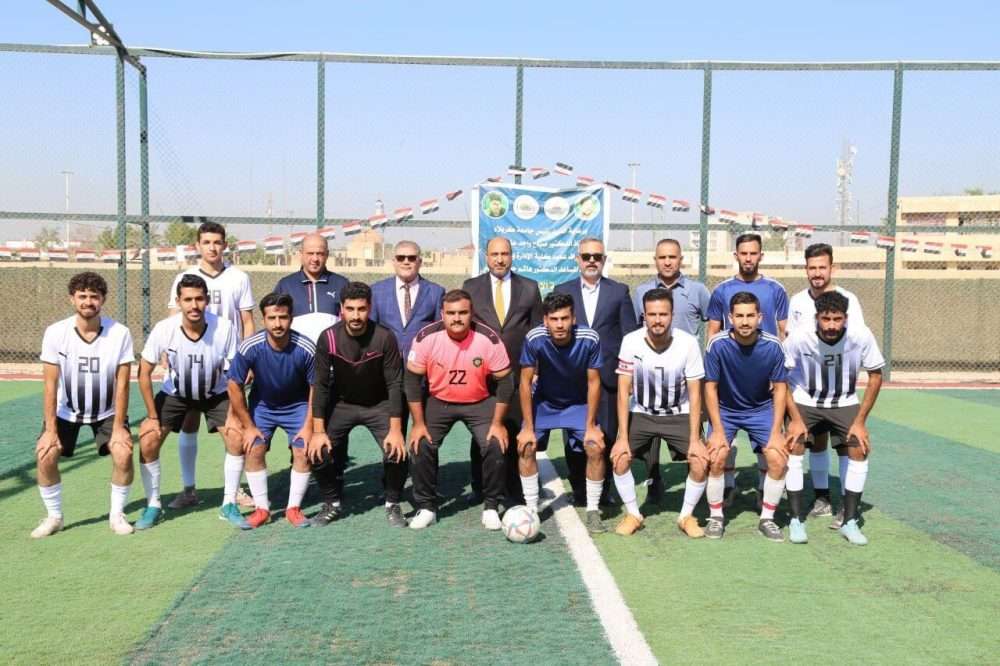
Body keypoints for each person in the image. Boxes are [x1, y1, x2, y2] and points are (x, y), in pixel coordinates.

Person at [31, 272, 135, 538]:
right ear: (72, 299)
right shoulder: (56, 332)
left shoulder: (120, 333)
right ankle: (55, 516)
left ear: (103, 299)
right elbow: (50, 385)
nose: (88, 301)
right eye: (83, 296)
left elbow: (122, 384)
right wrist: (50, 429)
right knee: (45, 455)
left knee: (123, 453)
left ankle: (116, 514)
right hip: (66, 412)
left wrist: (121, 427)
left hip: (107, 411)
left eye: (94, 296)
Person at [138, 275, 247, 529]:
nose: (194, 305)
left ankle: (228, 503)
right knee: (148, 439)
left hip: (216, 393)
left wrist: (233, 411)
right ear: (178, 301)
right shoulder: (164, 329)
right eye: (188, 300)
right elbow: (143, 372)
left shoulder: (225, 327)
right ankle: (153, 504)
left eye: (199, 299)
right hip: (176, 394)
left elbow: (236, 373)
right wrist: (152, 416)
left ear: (207, 300)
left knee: (237, 436)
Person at [405, 289, 514, 530]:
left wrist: (497, 423)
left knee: (495, 444)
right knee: (421, 444)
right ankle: (427, 507)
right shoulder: (426, 337)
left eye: (463, 313)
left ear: (471, 313)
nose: (457, 318)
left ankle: (491, 506)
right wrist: (418, 424)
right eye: (451, 313)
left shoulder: (489, 339)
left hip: (479, 401)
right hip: (439, 400)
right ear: (442, 314)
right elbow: (412, 380)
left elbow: (506, 380)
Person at [166, 221, 255, 510]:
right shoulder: (185, 276)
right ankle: (189, 489)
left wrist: (248, 357)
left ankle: (236, 489)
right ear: (197, 245)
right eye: (206, 242)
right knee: (188, 423)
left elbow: (247, 321)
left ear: (225, 245)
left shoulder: (238, 277)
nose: (212, 247)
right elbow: (171, 319)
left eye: (217, 242)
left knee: (232, 427)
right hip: (190, 365)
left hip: (225, 365)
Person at [783, 291, 884, 545]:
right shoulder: (799, 338)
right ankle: (796, 519)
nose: (831, 325)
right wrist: (794, 417)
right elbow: (780, 378)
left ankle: (849, 521)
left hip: (845, 402)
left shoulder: (860, 335)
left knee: (859, 449)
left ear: (846, 319)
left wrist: (860, 422)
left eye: (837, 319)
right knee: (793, 446)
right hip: (806, 401)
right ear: (817, 317)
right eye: (826, 319)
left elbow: (875, 375)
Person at [610, 288, 712, 538]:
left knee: (700, 461)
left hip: (678, 414)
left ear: (672, 314)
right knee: (620, 457)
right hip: (642, 413)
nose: (657, 320)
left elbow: (696, 392)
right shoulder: (631, 341)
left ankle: (686, 516)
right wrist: (622, 436)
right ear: (643, 315)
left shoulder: (687, 343)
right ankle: (634, 514)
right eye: (652, 314)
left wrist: (696, 438)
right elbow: (623, 392)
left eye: (663, 314)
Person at [307, 282, 408, 528]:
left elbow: (395, 384)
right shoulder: (328, 338)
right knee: (316, 450)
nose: (355, 315)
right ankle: (332, 502)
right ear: (341, 308)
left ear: (369, 308)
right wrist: (318, 432)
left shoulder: (385, 337)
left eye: (361, 309)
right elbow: (320, 386)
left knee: (397, 451)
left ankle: (392, 503)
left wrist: (396, 431)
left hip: (379, 404)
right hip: (342, 404)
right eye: (350, 309)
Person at [706, 233, 789, 505]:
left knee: (769, 444)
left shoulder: (775, 289)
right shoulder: (721, 290)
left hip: (763, 374)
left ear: (761, 255)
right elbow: (713, 331)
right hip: (731, 378)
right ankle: (727, 487)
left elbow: (784, 331)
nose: (749, 258)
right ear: (736, 256)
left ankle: (765, 490)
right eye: (744, 253)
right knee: (721, 444)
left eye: (754, 253)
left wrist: (775, 371)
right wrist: (720, 371)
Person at [554, 237, 638, 506]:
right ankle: (579, 486)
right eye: (586, 256)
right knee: (575, 436)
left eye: (597, 257)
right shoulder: (563, 290)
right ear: (577, 259)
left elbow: (629, 335)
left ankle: (606, 488)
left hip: (609, 377)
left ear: (604, 260)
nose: (592, 261)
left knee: (609, 433)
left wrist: (630, 374)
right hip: (573, 377)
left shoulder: (619, 291)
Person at [787, 242, 866, 520]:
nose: (817, 273)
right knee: (815, 443)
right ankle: (822, 497)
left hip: (838, 391)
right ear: (806, 269)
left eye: (822, 267)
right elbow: (791, 343)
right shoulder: (797, 301)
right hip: (804, 390)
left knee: (847, 447)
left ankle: (846, 504)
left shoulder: (849, 300)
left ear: (832, 267)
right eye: (812, 268)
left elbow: (853, 342)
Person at [516, 293, 607, 533]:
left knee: (595, 445)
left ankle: (593, 509)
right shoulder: (534, 338)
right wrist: (526, 428)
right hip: (545, 403)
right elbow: (524, 383)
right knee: (525, 445)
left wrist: (590, 426)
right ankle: (531, 508)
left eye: (565, 318)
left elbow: (594, 382)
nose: (560, 324)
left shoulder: (589, 338)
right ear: (545, 320)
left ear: (573, 318)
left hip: (577, 404)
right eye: (554, 319)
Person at [704, 291, 791, 542]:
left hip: (761, 409)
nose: (744, 321)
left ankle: (767, 518)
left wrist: (776, 433)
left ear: (760, 317)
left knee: (777, 458)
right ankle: (716, 516)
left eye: (750, 316)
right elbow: (709, 387)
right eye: (739, 316)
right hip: (726, 410)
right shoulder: (717, 344)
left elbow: (781, 388)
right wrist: (718, 429)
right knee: (717, 455)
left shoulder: (773, 346)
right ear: (730, 317)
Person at [463, 237, 543, 505]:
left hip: (519, 373)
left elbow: (537, 332)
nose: (500, 259)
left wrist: (537, 370)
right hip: (483, 375)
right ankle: (480, 484)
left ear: (512, 255)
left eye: (505, 253)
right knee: (482, 431)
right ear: (486, 256)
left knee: (514, 427)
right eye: (495, 254)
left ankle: (515, 486)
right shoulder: (471, 287)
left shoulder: (530, 288)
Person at [226, 292, 316, 529]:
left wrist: (309, 427)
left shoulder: (306, 347)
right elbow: (233, 384)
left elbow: (316, 388)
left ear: (291, 318)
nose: (278, 324)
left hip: (297, 406)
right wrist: (248, 426)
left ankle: (293, 509)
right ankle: (262, 509)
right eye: (272, 318)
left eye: (283, 317)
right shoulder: (250, 347)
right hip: (263, 405)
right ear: (263, 319)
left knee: (303, 451)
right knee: (254, 447)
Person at [631, 238, 711, 499]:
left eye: (672, 257)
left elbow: (713, 322)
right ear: (655, 260)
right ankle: (653, 476)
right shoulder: (641, 292)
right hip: (651, 374)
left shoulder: (698, 290)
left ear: (681, 259)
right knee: (650, 424)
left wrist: (705, 354)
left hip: (685, 375)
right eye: (662, 257)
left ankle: (694, 485)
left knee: (690, 430)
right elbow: (635, 330)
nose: (667, 261)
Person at [370, 240, 445, 361]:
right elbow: (371, 330)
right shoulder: (376, 291)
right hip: (385, 365)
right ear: (394, 262)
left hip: (422, 365)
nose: (406, 262)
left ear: (419, 262)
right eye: (400, 258)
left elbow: (440, 332)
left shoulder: (436, 292)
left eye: (411, 258)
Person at [273, 232, 350, 344]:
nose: (315, 258)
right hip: (296, 355)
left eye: (320, 254)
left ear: (327, 255)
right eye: (310, 253)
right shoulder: (285, 285)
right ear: (301, 254)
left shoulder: (342, 283)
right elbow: (276, 321)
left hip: (332, 355)